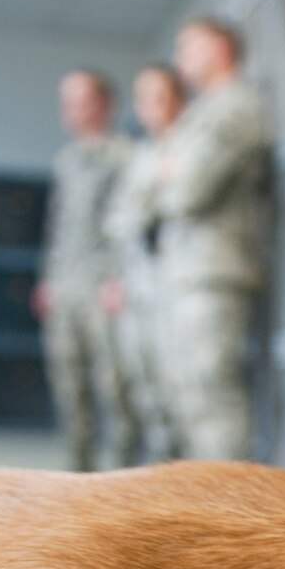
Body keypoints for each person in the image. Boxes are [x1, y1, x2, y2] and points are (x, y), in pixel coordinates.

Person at [155, 14, 273, 462]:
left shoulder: (236, 107)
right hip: (190, 271)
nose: (178, 57)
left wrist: (170, 174)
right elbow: (157, 186)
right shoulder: (203, 113)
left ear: (220, 47)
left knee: (210, 392)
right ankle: (200, 503)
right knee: (187, 395)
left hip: (214, 273)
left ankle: (224, 508)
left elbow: (187, 191)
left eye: (189, 45)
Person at [36, 69, 134, 471]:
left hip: (103, 289)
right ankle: (80, 477)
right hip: (66, 290)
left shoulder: (124, 157)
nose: (71, 111)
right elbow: (58, 228)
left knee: (115, 391)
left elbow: (125, 226)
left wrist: (117, 279)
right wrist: (48, 279)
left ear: (104, 105)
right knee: (69, 389)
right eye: (67, 102)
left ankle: (124, 479)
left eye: (80, 101)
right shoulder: (67, 160)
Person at [103, 64, 187, 463]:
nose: (149, 106)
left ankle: (179, 475)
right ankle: (157, 471)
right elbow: (120, 220)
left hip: (171, 287)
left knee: (176, 390)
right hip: (136, 287)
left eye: (158, 95)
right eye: (142, 98)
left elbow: (163, 207)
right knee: (141, 390)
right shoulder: (141, 156)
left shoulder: (186, 146)